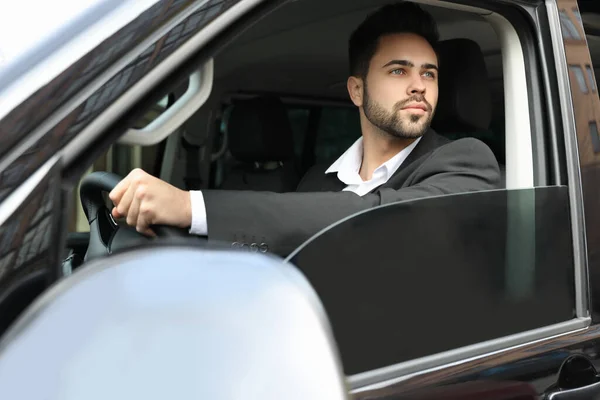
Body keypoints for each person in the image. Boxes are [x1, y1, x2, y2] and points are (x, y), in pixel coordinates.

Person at [109, 2, 501, 256]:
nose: (418, 85)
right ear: (357, 89)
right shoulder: (317, 181)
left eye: (428, 74)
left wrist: (189, 206)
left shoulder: (465, 163)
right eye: (399, 70)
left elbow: (375, 217)